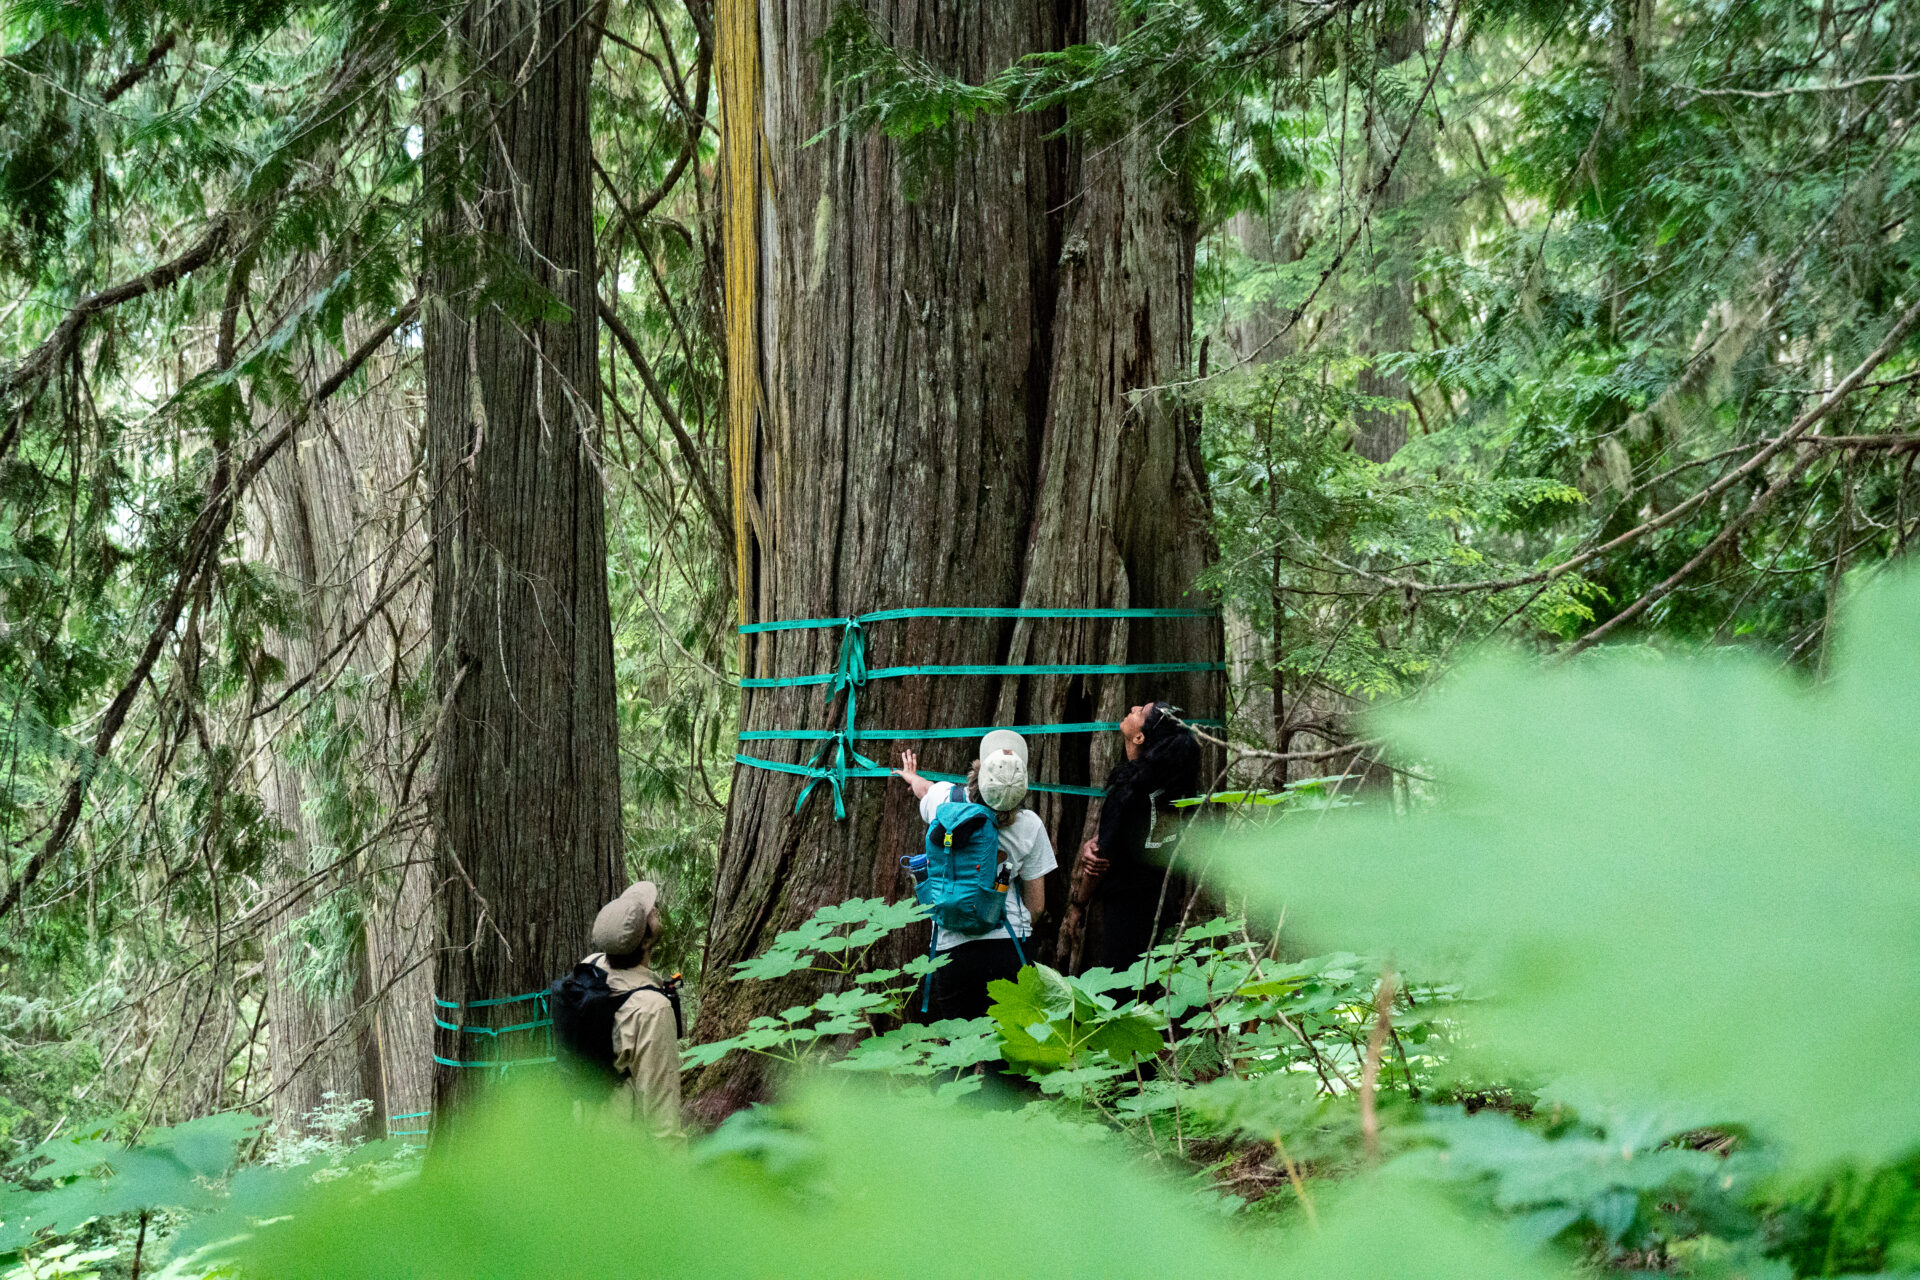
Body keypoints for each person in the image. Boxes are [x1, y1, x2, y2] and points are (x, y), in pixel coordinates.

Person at [893, 730, 1056, 1020]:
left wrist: (912, 776)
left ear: (979, 770)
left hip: (951, 947)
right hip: (1008, 945)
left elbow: (924, 790)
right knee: (1008, 1051)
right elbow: (1038, 906)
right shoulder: (1030, 825)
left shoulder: (945, 801)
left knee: (960, 1051)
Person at [1075, 701, 1202, 977]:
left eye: (1140, 712)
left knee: (1119, 987)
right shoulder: (1178, 787)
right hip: (1163, 903)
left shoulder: (1127, 791)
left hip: (1125, 909)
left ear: (1139, 737)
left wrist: (1078, 904)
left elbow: (1099, 860)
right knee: (1149, 985)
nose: (1133, 708)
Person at [583, 880, 682, 1139]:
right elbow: (662, 1109)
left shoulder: (588, 968)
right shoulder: (652, 1009)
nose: (654, 910)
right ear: (645, 943)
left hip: (584, 1131)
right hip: (626, 1152)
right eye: (648, 914)